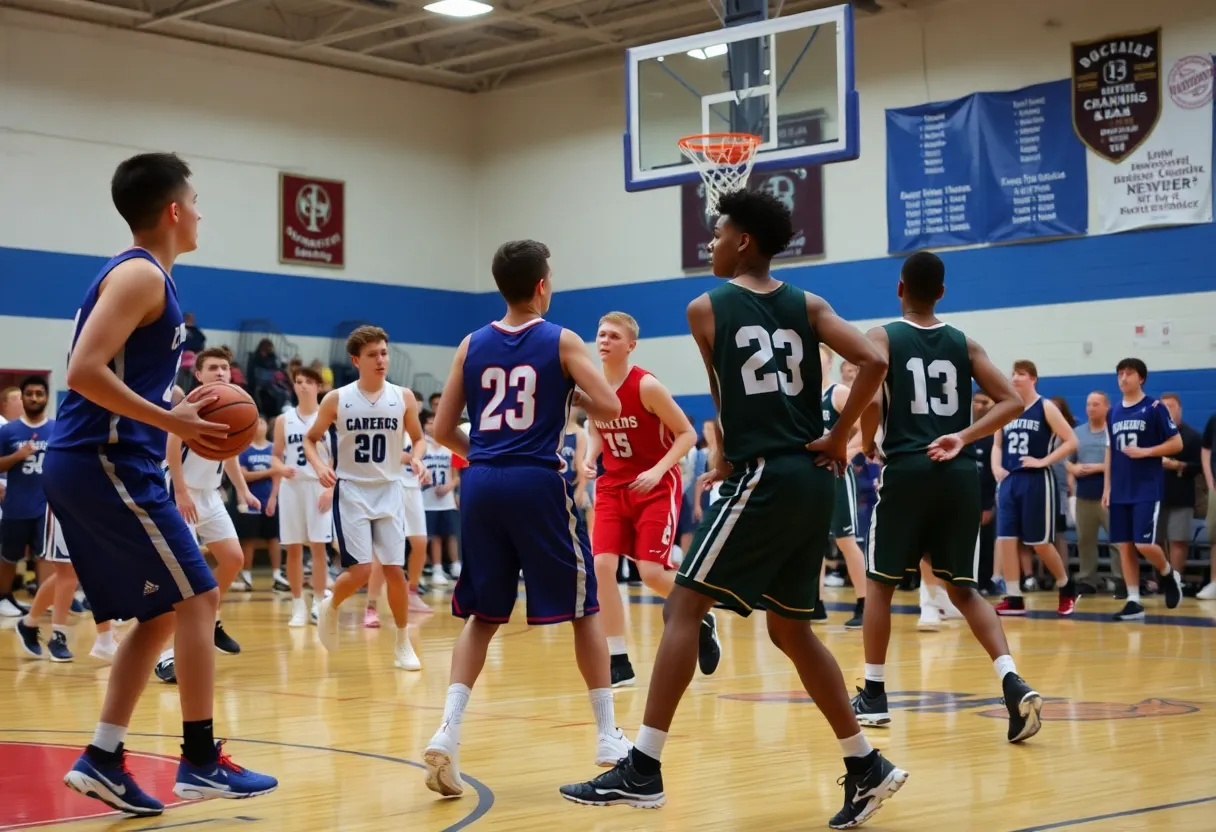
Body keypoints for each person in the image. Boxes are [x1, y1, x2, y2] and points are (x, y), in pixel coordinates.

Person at [560, 190, 906, 829]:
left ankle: (642, 767)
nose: (711, 244)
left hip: (769, 474)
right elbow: (874, 360)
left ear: (743, 240)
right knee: (789, 629)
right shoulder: (811, 303)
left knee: (685, 604)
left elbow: (723, 384)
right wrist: (838, 437)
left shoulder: (704, 307)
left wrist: (734, 455)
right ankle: (866, 765)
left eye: (718, 234)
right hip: (812, 477)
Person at [43, 152, 275, 815]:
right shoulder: (141, 275)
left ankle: (104, 758)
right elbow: (84, 371)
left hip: (110, 459)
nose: (201, 212)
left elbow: (119, 370)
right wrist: (166, 415)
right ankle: (199, 761)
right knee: (199, 597)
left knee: (166, 608)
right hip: (104, 458)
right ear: (173, 211)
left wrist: (176, 397)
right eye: (196, 201)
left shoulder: (149, 281)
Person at [422, 239, 630, 799]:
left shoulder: (470, 343)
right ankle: (609, 737)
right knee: (585, 607)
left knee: (483, 616)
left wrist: (488, 452)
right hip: (537, 482)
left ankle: (447, 728)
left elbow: (441, 430)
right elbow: (610, 404)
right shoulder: (559, 338)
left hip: (482, 483)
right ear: (542, 285)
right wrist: (568, 396)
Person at [850, 250, 1045, 748]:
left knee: (880, 584)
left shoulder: (881, 336)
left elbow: (871, 400)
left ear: (899, 289)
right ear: (942, 292)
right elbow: (1014, 401)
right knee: (964, 589)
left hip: (909, 467)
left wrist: (869, 440)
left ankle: (873, 692)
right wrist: (965, 435)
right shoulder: (964, 342)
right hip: (956, 472)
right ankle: (1011, 680)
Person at [585, 311, 711, 688]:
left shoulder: (647, 386)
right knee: (602, 566)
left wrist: (658, 470)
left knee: (651, 573)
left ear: (630, 345)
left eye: (612, 335)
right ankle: (619, 659)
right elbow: (596, 427)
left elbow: (687, 434)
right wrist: (591, 455)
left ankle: (701, 612)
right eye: (600, 333)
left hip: (655, 486)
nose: (604, 340)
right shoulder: (592, 386)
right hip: (613, 486)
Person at [306, 325, 423, 671]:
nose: (381, 360)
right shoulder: (336, 399)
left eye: (384, 353)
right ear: (356, 360)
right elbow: (311, 440)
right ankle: (331, 603)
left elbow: (418, 438)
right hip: (352, 489)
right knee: (360, 570)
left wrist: (416, 455)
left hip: (389, 489)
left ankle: (403, 643)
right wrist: (318, 468)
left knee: (394, 572)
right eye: (373, 355)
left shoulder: (403, 397)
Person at [165, 347, 261, 656]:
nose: (221, 372)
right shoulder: (191, 404)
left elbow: (229, 454)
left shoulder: (233, 402)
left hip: (209, 494)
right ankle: (170, 651)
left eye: (225, 368)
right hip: (181, 492)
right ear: (199, 374)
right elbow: (171, 444)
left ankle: (209, 619)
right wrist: (179, 492)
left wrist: (244, 490)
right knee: (188, 577)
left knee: (233, 559)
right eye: (214, 368)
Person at [990, 361, 1078, 616]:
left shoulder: (1046, 407)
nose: (1015, 378)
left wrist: (1044, 460)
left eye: (1021, 374)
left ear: (1033, 379)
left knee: (1039, 542)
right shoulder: (1005, 407)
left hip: (1037, 479)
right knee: (1005, 540)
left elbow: (1071, 440)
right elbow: (998, 443)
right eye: (1014, 373)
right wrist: (996, 466)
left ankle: (1065, 584)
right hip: (1009, 480)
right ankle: (1014, 597)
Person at [1104, 358, 1184, 620]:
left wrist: (1147, 452)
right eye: (1120, 373)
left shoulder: (1155, 407)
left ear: (1141, 378)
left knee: (1143, 543)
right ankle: (1133, 599)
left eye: (1129, 373)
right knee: (1124, 545)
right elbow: (1109, 452)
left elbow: (1177, 443)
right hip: (1120, 488)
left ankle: (1167, 572)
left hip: (1145, 487)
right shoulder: (1112, 412)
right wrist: (1107, 486)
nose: (1123, 378)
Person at [272, 365, 334, 626]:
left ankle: (319, 603)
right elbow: (275, 455)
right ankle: (298, 606)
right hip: (292, 488)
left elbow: (337, 459)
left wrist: (331, 488)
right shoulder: (283, 420)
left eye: (309, 381)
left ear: (319, 386)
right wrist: (280, 467)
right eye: (299, 381)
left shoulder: (330, 417)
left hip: (319, 486)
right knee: (293, 549)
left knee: (319, 548)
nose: (303, 385)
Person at [819, 345, 868, 629]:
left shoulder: (837, 393)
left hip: (836, 474)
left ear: (828, 363)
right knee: (811, 543)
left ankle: (864, 603)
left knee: (845, 540)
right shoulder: (798, 398)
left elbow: (867, 429)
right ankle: (815, 604)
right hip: (810, 478)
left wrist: (845, 453)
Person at [0, 377, 52, 619]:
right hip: (16, 504)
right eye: (29, 393)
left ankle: (44, 600)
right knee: (10, 555)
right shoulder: (8, 431)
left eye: (39, 393)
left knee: (45, 554)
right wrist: (17, 456)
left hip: (48, 505)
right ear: (22, 397)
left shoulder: (57, 429)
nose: (34, 398)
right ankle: (3, 598)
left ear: (46, 397)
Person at [1067, 391, 1117, 593]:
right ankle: (1087, 579)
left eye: (1096, 404)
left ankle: (1120, 579)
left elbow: (1120, 462)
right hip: (1084, 495)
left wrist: (1098, 467)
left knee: (1116, 540)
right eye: (1088, 404)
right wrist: (1074, 469)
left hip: (1110, 495)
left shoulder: (1112, 432)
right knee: (1085, 540)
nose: (1091, 408)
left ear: (1107, 407)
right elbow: (1066, 460)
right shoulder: (1077, 433)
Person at [1157, 393, 1202, 575]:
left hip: (1181, 495)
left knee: (1178, 539)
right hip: (1155, 496)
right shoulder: (1153, 436)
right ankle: (1161, 577)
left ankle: (1176, 577)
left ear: (1180, 410)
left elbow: (1200, 466)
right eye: (1163, 407)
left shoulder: (1192, 437)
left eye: (1171, 406)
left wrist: (1177, 465)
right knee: (1155, 540)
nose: (1167, 410)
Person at [235, 416, 280, 593]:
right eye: (256, 423)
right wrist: (270, 471)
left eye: (261, 422)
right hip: (251, 501)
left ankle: (277, 574)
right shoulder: (244, 450)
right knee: (249, 540)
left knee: (274, 538)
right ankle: (246, 575)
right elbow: (244, 476)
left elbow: (279, 476)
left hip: (270, 499)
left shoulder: (274, 449)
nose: (259, 425)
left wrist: (274, 496)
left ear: (266, 426)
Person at [420, 410, 461, 583]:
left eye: (435, 421)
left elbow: (457, 475)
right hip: (427, 498)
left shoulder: (450, 447)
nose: (432, 425)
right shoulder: (421, 446)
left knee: (451, 534)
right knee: (434, 535)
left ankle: (456, 565)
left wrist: (449, 486)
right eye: (429, 422)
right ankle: (437, 568)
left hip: (446, 498)